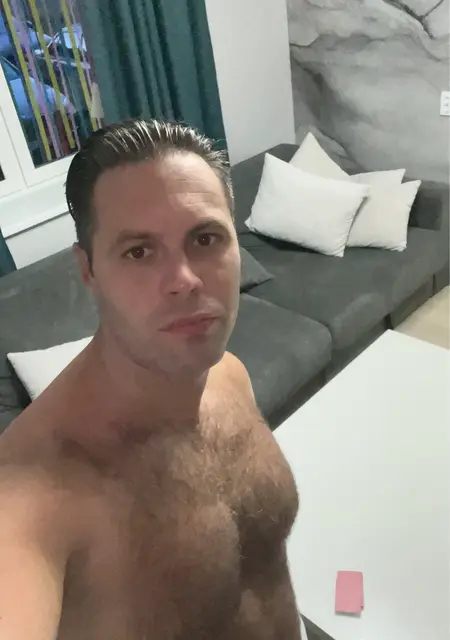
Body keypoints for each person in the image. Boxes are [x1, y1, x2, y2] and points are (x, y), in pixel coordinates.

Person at [0, 119, 304, 639]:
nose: (184, 280)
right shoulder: (32, 497)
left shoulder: (228, 374)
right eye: (138, 251)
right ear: (88, 270)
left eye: (205, 238)